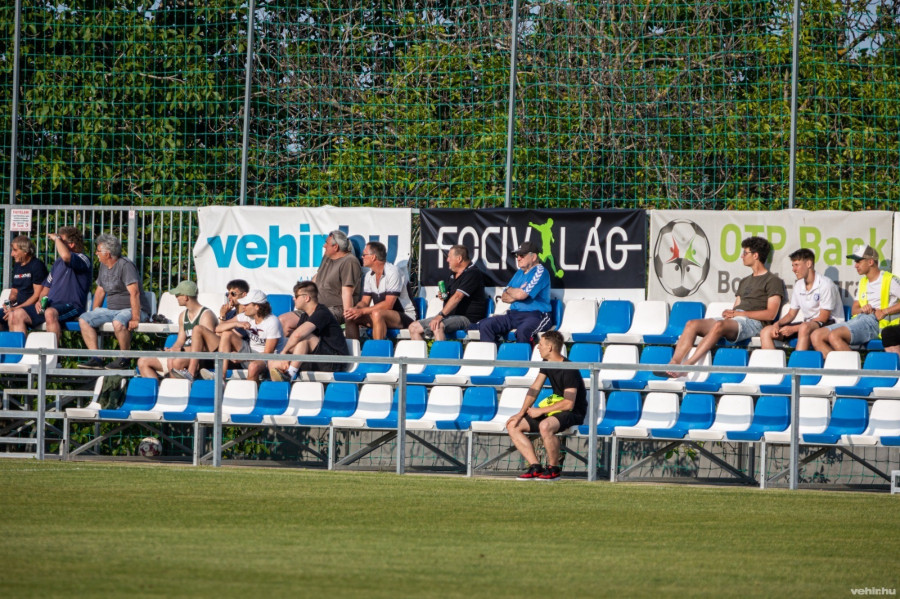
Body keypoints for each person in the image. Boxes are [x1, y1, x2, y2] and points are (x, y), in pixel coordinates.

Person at [662, 236, 784, 377]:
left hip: (755, 323)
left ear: (755, 255)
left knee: (720, 326)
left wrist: (739, 315)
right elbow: (737, 308)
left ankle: (687, 366)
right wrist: (731, 313)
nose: (741, 256)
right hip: (738, 320)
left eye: (745, 253)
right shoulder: (745, 281)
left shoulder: (772, 281)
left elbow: (770, 314)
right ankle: (674, 362)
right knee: (692, 324)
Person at [505, 330, 586, 480]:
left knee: (545, 426)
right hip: (555, 410)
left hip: (573, 412)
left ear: (550, 348)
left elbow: (568, 403)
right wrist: (521, 413)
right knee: (513, 425)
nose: (537, 347)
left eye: (540, 344)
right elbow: (534, 388)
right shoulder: (546, 363)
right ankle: (535, 466)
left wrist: (540, 410)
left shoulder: (569, 369)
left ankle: (554, 469)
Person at [811, 245, 900, 357]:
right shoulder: (863, 282)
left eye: (858, 261)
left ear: (871, 262)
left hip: (876, 323)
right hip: (860, 319)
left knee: (835, 335)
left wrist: (884, 311)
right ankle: (839, 369)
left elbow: (880, 313)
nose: (855, 265)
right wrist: (862, 309)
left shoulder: (889, 279)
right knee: (816, 335)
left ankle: (853, 371)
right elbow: (854, 310)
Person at [78, 234, 152, 370]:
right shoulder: (103, 266)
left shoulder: (126, 266)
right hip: (112, 310)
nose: (96, 253)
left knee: (118, 323)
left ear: (108, 253)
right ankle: (96, 358)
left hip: (131, 309)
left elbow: (134, 292)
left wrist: (135, 317)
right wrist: (95, 311)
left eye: (99, 251)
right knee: (84, 319)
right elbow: (100, 290)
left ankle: (125, 358)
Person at [7, 228, 92, 343]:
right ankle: (20, 356)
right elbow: (46, 288)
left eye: (61, 240)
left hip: (72, 306)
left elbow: (67, 256)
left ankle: (52, 357)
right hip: (50, 305)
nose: (58, 243)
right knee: (16, 314)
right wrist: (40, 301)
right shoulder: (57, 263)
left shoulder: (83, 259)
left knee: (50, 313)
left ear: (71, 244)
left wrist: (56, 238)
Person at [280, 230, 361, 338]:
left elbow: (347, 292)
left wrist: (348, 318)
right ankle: (291, 352)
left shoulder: (349, 261)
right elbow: (317, 277)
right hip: (316, 307)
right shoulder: (327, 256)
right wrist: (304, 293)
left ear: (335, 247)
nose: (324, 246)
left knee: (308, 327)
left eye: (326, 243)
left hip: (336, 308)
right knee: (283, 321)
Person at [759, 248, 842, 351]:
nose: (793, 269)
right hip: (808, 325)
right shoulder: (799, 285)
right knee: (766, 331)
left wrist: (793, 329)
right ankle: (771, 366)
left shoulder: (826, 284)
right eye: (792, 266)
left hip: (831, 325)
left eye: (797, 265)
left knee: (804, 328)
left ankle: (797, 365)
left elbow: (823, 318)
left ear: (808, 264)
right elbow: (791, 314)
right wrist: (778, 324)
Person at [136, 281, 218, 382]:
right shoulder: (183, 315)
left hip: (197, 359)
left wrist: (182, 350)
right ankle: (160, 393)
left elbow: (207, 347)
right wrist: (173, 349)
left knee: (175, 363)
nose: (176, 297)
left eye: (177, 295)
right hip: (183, 355)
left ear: (186, 297)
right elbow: (180, 341)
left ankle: (176, 393)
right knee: (143, 362)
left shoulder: (206, 315)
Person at [475, 241, 552, 344]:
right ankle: (492, 358)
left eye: (522, 255)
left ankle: (522, 360)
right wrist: (516, 291)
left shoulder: (540, 271)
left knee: (523, 331)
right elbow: (504, 297)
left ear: (533, 257)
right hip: (514, 315)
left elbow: (521, 295)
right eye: (517, 255)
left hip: (536, 315)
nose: (518, 258)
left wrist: (514, 292)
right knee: (486, 325)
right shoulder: (519, 272)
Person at [269, 281, 349, 381]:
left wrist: (284, 353)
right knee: (273, 361)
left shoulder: (322, 313)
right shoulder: (304, 316)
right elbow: (296, 342)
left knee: (305, 337)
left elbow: (298, 335)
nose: (294, 299)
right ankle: (277, 391)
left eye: (296, 296)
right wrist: (284, 358)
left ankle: (290, 376)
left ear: (306, 298)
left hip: (335, 362)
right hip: (316, 359)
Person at [202, 289, 285, 382]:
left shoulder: (272, 322)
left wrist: (244, 358)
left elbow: (267, 354)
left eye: (246, 304)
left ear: (257, 307)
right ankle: (220, 376)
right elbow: (218, 328)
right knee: (227, 333)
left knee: (253, 367)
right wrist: (236, 324)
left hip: (268, 360)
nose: (243, 307)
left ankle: (251, 394)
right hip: (250, 352)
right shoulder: (245, 316)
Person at [410, 244, 488, 341]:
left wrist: (440, 315)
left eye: (450, 257)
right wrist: (445, 296)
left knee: (438, 326)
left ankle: (440, 355)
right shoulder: (453, 274)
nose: (447, 260)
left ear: (459, 259)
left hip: (468, 318)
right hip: (451, 316)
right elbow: (452, 295)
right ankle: (421, 356)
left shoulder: (473, 273)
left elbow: (457, 297)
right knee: (413, 327)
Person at [343, 241, 416, 339]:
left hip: (405, 316)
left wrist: (362, 311)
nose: (362, 257)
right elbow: (364, 301)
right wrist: (355, 310)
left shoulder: (393, 272)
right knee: (350, 318)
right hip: (382, 314)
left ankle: (377, 352)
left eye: (364, 255)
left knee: (377, 314)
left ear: (373, 257)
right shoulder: (369, 275)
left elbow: (388, 304)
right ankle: (352, 353)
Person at [1, 236, 48, 331]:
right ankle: (4, 344)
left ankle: (18, 345)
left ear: (25, 251)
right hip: (19, 306)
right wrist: (9, 303)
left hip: (35, 308)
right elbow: (14, 291)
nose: (12, 254)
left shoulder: (37, 266)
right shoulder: (18, 266)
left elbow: (37, 296)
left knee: (15, 315)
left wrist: (16, 308)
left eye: (15, 250)